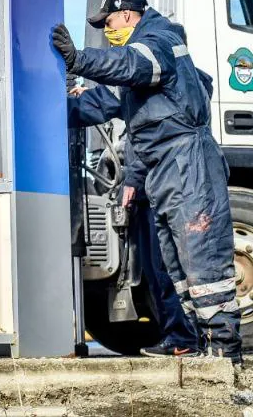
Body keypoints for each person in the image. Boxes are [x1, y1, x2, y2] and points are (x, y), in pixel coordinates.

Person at [53, 0, 242, 363]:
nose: (107, 31)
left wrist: (79, 59)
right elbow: (115, 109)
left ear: (127, 15)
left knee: (202, 260)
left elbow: (132, 65)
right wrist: (54, 107)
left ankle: (225, 354)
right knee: (176, 267)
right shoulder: (141, 66)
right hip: (166, 168)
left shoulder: (157, 41)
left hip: (188, 165)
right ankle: (200, 348)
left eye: (108, 23)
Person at [69, 83, 198, 356]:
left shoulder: (150, 85)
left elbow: (145, 140)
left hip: (157, 188)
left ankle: (185, 338)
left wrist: (134, 179)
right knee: (158, 268)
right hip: (154, 187)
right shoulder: (167, 84)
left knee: (164, 267)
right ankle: (181, 337)